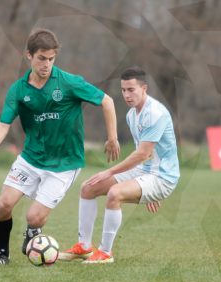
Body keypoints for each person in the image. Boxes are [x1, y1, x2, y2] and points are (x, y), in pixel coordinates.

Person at [0, 28, 120, 266]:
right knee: (3, 206)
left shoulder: (68, 82)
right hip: (31, 158)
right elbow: (3, 124)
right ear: (28, 56)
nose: (47, 64)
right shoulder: (19, 90)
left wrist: (112, 137)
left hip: (64, 164)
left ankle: (32, 234)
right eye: (42, 58)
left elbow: (107, 101)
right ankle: (1, 255)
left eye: (51, 59)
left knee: (34, 217)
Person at [59, 66, 180, 264]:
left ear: (144, 88)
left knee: (115, 192)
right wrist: (143, 187)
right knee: (88, 187)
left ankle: (105, 253)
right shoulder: (132, 115)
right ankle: (84, 247)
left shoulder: (156, 113)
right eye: (123, 90)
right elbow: (144, 157)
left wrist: (111, 171)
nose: (126, 95)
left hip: (163, 177)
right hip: (147, 173)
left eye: (131, 90)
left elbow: (143, 154)